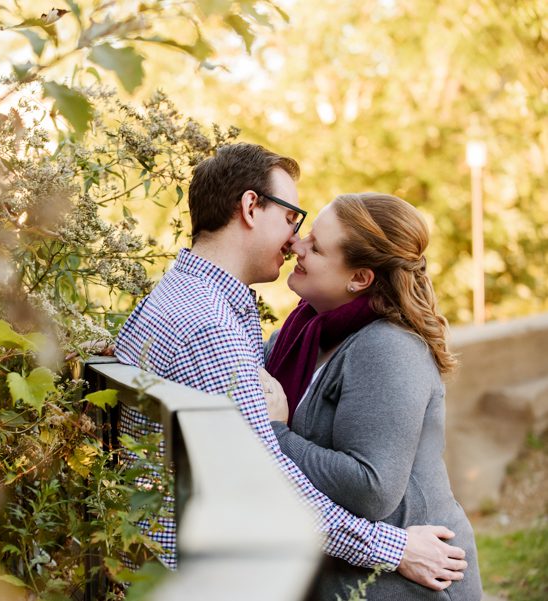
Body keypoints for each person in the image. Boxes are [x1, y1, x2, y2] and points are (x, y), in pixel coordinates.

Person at [113, 143, 468, 590]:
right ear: (249, 207)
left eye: (310, 238)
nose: (295, 239)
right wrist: (394, 548)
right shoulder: (211, 325)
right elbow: (269, 483)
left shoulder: (186, 298)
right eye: (290, 218)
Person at [263, 193, 482, 599]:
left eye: (316, 245)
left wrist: (275, 435)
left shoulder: (387, 348)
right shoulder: (302, 334)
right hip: (350, 575)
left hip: (407, 584)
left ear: (359, 278)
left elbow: (370, 488)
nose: (297, 244)